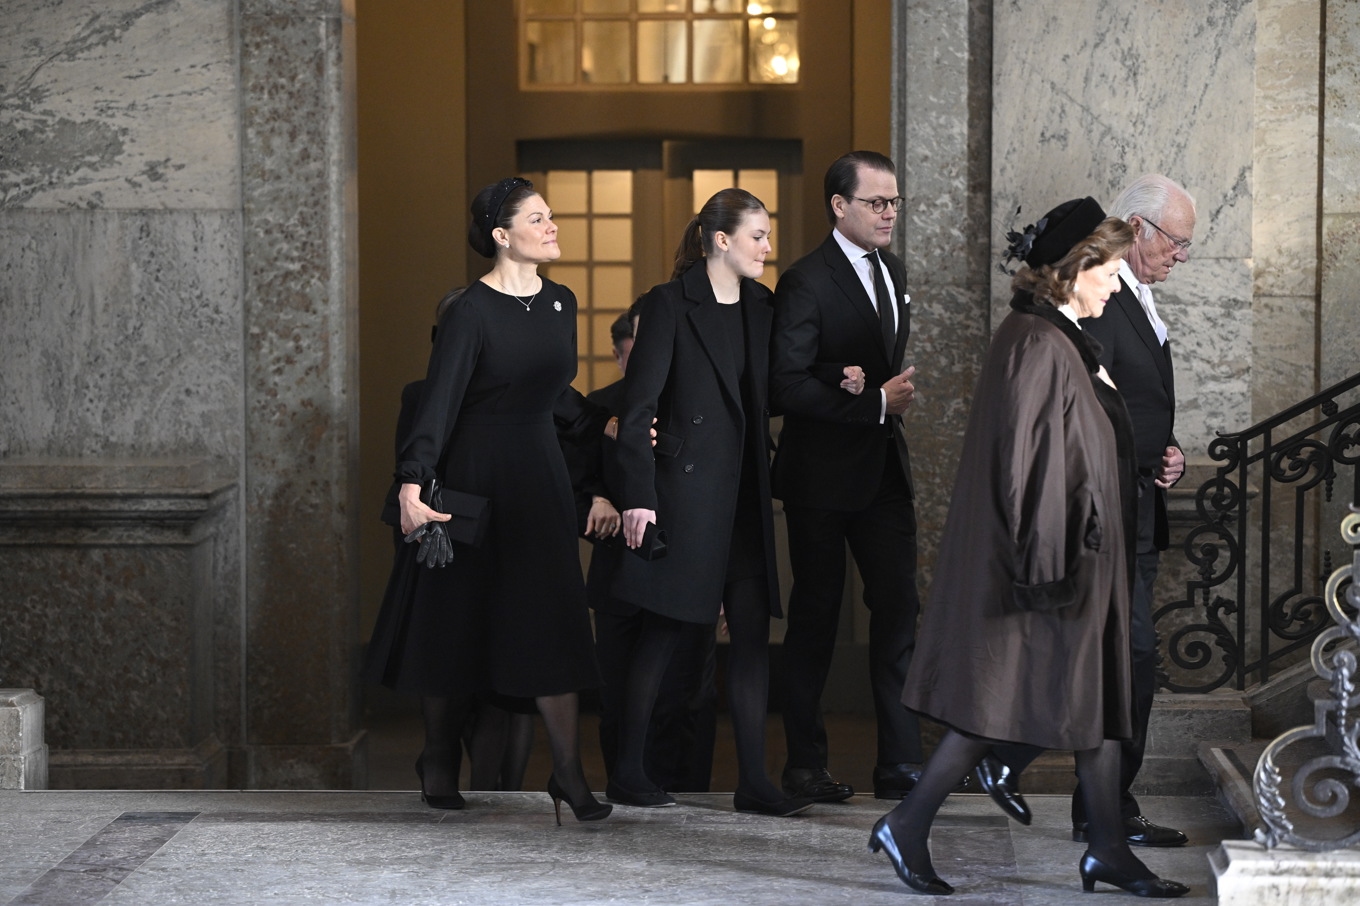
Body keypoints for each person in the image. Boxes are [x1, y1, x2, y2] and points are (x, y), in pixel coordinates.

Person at [869, 197, 1188, 898]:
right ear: (1074, 270)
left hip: (1082, 558)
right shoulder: (1038, 342)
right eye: (1106, 270)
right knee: (999, 705)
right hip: (1053, 563)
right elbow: (1027, 467)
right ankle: (909, 820)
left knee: (1097, 700)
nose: (1114, 282)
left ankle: (1106, 845)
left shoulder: (1062, 335)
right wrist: (1050, 569)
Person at [368, 176, 611, 826]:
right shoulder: (470, 311)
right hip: (473, 479)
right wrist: (412, 484)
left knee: (553, 623)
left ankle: (569, 775)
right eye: (538, 218)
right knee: (459, 628)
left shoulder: (562, 302)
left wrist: (606, 424)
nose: (553, 226)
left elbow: (555, 392)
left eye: (551, 215)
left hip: (540, 477)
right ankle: (440, 755)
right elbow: (441, 399)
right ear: (502, 236)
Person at [984, 176, 1195, 849]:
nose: (1181, 255)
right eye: (1176, 241)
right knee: (1116, 657)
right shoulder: (1093, 302)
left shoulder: (1137, 299)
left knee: (1119, 659)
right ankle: (1039, 778)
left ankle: (1097, 810)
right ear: (1138, 228)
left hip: (1134, 501)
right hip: (1098, 512)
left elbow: (1134, 402)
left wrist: (1165, 457)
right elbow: (1080, 408)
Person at [610, 187, 812, 817]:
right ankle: (626, 773)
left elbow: (776, 389)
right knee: (665, 635)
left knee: (752, 637)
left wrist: (845, 382)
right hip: (683, 495)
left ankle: (754, 780)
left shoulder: (762, 306)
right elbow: (638, 406)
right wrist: (638, 499)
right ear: (721, 240)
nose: (768, 248)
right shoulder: (669, 305)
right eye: (759, 236)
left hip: (744, 495)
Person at [769, 150, 928, 803]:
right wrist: (864, 399)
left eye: (893, 201)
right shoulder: (805, 281)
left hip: (883, 473)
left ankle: (900, 763)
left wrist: (878, 403)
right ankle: (804, 765)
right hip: (820, 478)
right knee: (816, 616)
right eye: (876, 202)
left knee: (899, 611)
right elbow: (783, 384)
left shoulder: (893, 271)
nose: (889, 212)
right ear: (840, 206)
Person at [581, 305, 721, 794]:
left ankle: (689, 791)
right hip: (620, 571)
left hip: (688, 570)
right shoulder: (596, 408)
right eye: (632, 351)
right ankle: (626, 782)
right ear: (620, 356)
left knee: (689, 695)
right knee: (616, 696)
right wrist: (596, 498)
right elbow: (574, 480)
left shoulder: (696, 404)